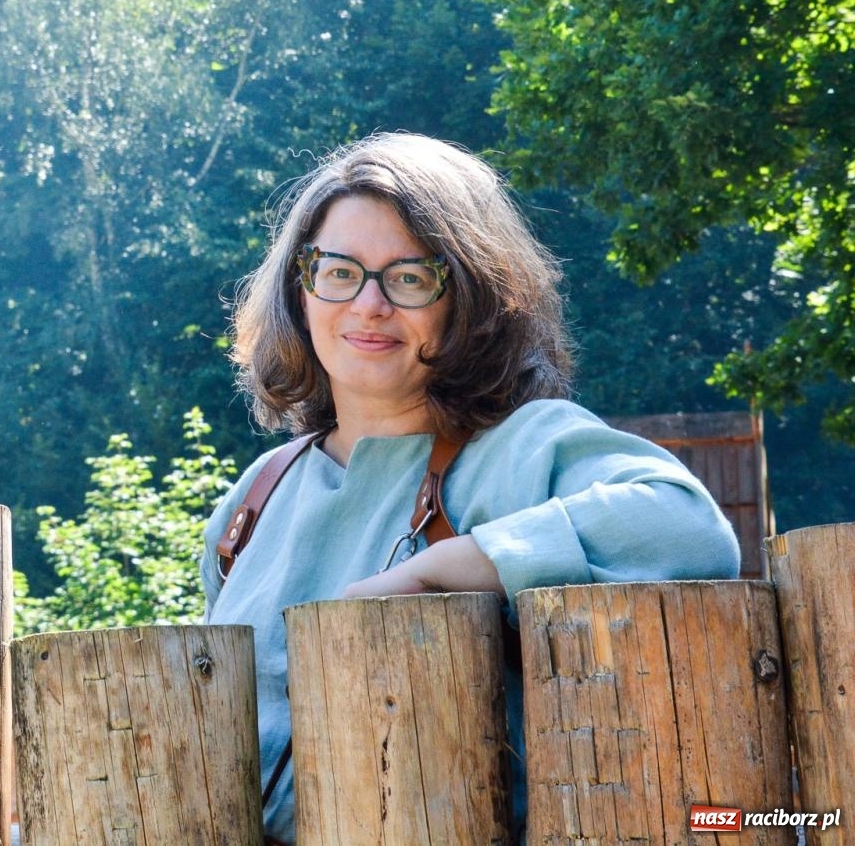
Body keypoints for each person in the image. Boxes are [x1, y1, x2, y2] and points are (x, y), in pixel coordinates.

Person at [201, 132, 739, 843]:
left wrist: (441, 571)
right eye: (339, 271)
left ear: (474, 299)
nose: (368, 304)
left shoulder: (526, 446)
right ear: (301, 290)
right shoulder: (256, 496)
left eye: (410, 278)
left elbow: (690, 528)